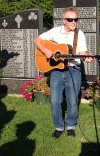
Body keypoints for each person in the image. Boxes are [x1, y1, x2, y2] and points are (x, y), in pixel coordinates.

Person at [34, 7, 93, 138]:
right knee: (55, 100)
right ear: (63, 20)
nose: (74, 22)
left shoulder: (79, 34)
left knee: (72, 100)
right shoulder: (55, 31)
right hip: (56, 70)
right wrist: (45, 51)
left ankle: (71, 125)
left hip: (74, 70)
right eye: (70, 19)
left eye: (76, 19)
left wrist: (87, 56)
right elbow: (37, 40)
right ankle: (59, 126)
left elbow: (82, 51)